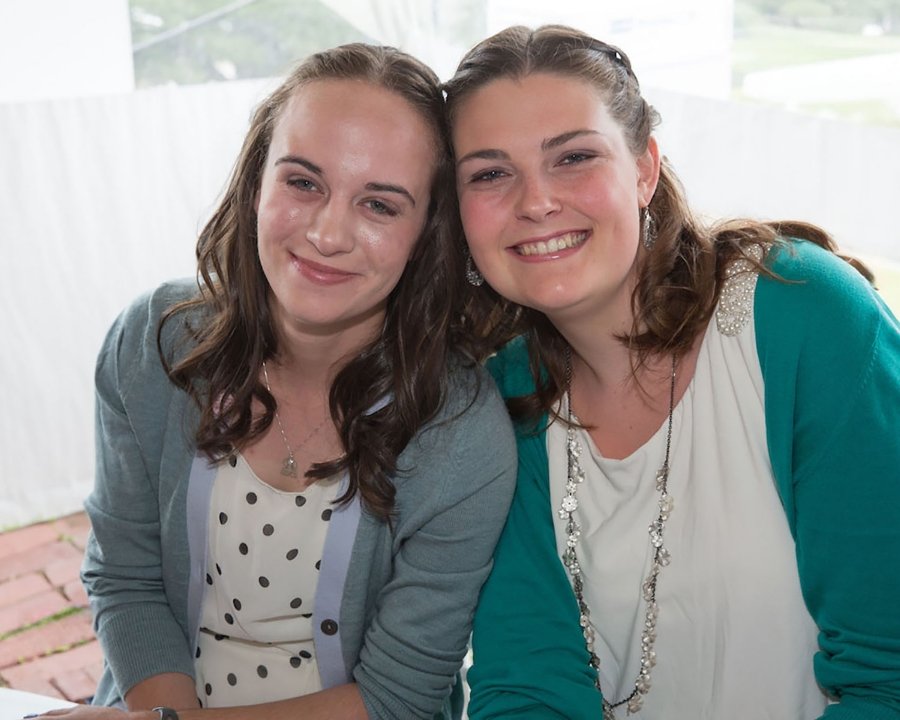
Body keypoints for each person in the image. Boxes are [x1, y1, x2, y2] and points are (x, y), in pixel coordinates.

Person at [39, 43, 517, 720]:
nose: (327, 233)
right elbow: (127, 579)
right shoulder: (152, 342)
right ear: (256, 182)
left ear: (427, 234)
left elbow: (398, 696)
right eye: (303, 183)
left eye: (380, 205)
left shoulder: (460, 431)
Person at [444, 24, 900, 720]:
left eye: (573, 157)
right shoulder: (500, 402)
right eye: (490, 173)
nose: (535, 201)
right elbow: (527, 689)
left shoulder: (802, 316)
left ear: (645, 170)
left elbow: (889, 678)